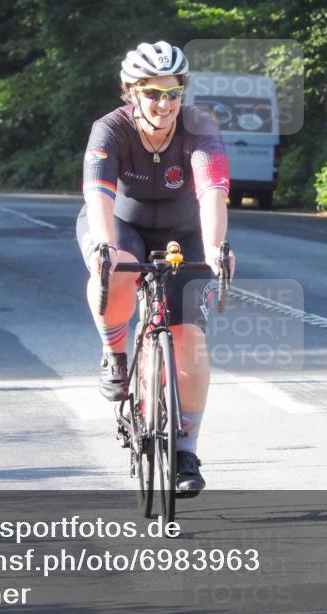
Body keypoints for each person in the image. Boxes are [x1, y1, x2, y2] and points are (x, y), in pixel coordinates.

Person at [76, 41, 235, 497]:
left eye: (173, 93)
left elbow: (212, 193)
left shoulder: (199, 128)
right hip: (120, 223)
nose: (164, 104)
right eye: (152, 93)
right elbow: (98, 196)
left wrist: (216, 247)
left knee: (190, 337)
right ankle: (115, 351)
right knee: (116, 267)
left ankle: (186, 450)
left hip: (182, 232)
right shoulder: (109, 129)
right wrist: (106, 247)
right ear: (131, 92)